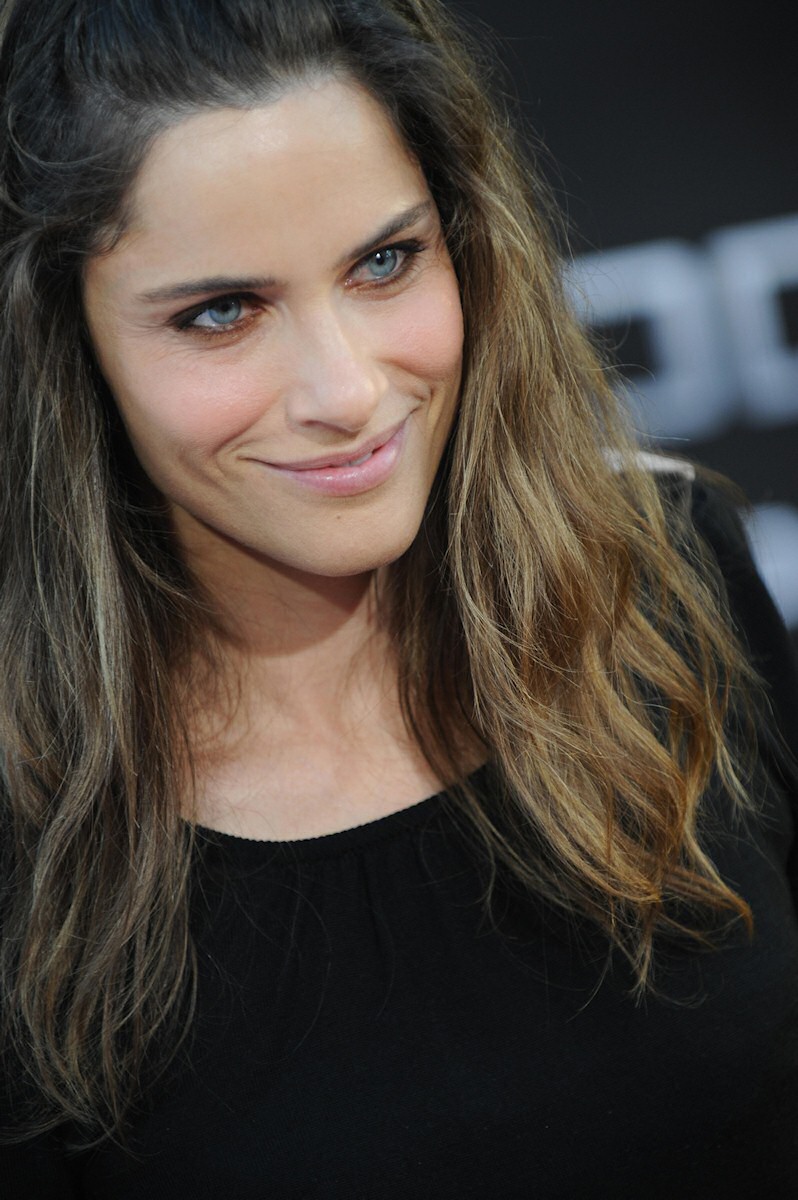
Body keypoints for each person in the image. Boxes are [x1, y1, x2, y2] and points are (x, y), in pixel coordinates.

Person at [0, 0, 795, 1194]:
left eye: (386, 261)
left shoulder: (667, 574)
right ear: (68, 352)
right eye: (222, 312)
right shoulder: (32, 813)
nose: (349, 389)